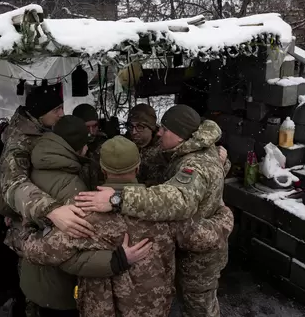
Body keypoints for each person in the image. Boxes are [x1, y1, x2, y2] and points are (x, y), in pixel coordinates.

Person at [19, 136, 234, 317]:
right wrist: (225, 214)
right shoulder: (163, 210)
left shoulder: (82, 211)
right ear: (138, 167)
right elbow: (206, 237)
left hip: (101, 309)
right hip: (152, 307)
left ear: (102, 169)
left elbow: (38, 252)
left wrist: (28, 225)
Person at [75, 105, 230, 317]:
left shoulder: (194, 164)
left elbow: (177, 200)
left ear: (179, 134)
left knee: (200, 309)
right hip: (198, 247)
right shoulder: (196, 152)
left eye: (164, 129)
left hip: (199, 260)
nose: (159, 133)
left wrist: (117, 198)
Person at [6, 117, 151, 317]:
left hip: (34, 281)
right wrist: (118, 260)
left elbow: (2, 199)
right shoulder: (78, 193)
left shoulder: (29, 165)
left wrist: (20, 222)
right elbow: (65, 256)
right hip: (59, 291)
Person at [0, 86, 94, 238]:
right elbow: (13, 185)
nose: (61, 114)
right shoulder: (19, 142)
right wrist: (51, 210)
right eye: (56, 110)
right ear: (40, 113)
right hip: (31, 225)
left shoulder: (42, 128)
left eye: (61, 107)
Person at [125, 104, 166, 186]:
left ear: (151, 128)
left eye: (140, 127)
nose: (134, 132)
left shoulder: (163, 151)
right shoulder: (125, 146)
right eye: (131, 126)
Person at [72, 103, 107, 188]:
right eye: (87, 127)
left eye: (94, 126)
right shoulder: (70, 146)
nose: (91, 132)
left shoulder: (106, 146)